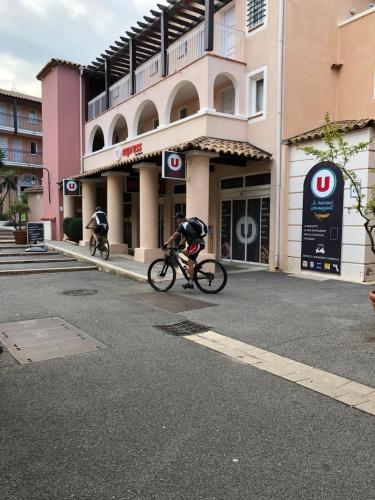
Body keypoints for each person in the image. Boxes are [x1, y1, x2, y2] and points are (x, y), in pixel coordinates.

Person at [163, 212, 205, 289]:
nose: (175, 220)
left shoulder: (182, 225)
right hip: (197, 244)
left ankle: (191, 283)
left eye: (176, 218)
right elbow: (187, 236)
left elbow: (174, 236)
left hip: (196, 244)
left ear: (179, 219)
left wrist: (166, 243)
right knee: (184, 252)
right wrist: (180, 244)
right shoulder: (187, 224)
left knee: (189, 262)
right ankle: (196, 265)